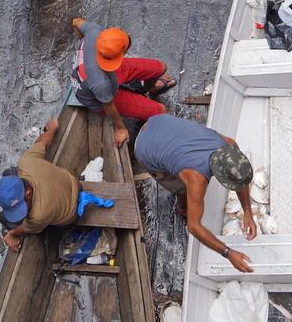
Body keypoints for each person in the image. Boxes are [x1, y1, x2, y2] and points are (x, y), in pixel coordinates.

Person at [134, 114, 257, 272]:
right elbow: (193, 227)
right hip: (144, 146)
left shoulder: (229, 145)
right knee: (181, 188)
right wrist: (228, 253)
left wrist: (248, 212)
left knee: (183, 173)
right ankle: (182, 209)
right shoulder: (196, 179)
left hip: (159, 121)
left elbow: (241, 181)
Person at [69, 17, 176, 148]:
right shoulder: (100, 84)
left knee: (161, 67)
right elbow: (108, 105)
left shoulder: (94, 32)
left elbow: (76, 22)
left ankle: (150, 87)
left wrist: (83, 42)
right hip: (100, 98)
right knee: (161, 111)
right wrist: (120, 128)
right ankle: (141, 93)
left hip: (105, 69)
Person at [0, 117, 79, 252]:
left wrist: (11, 235)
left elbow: (24, 228)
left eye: (22, 206)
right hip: (72, 182)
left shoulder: (38, 215)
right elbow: (42, 143)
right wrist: (52, 129)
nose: (23, 211)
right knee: (8, 172)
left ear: (28, 193)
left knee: (2, 217)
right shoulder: (26, 161)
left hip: (71, 213)